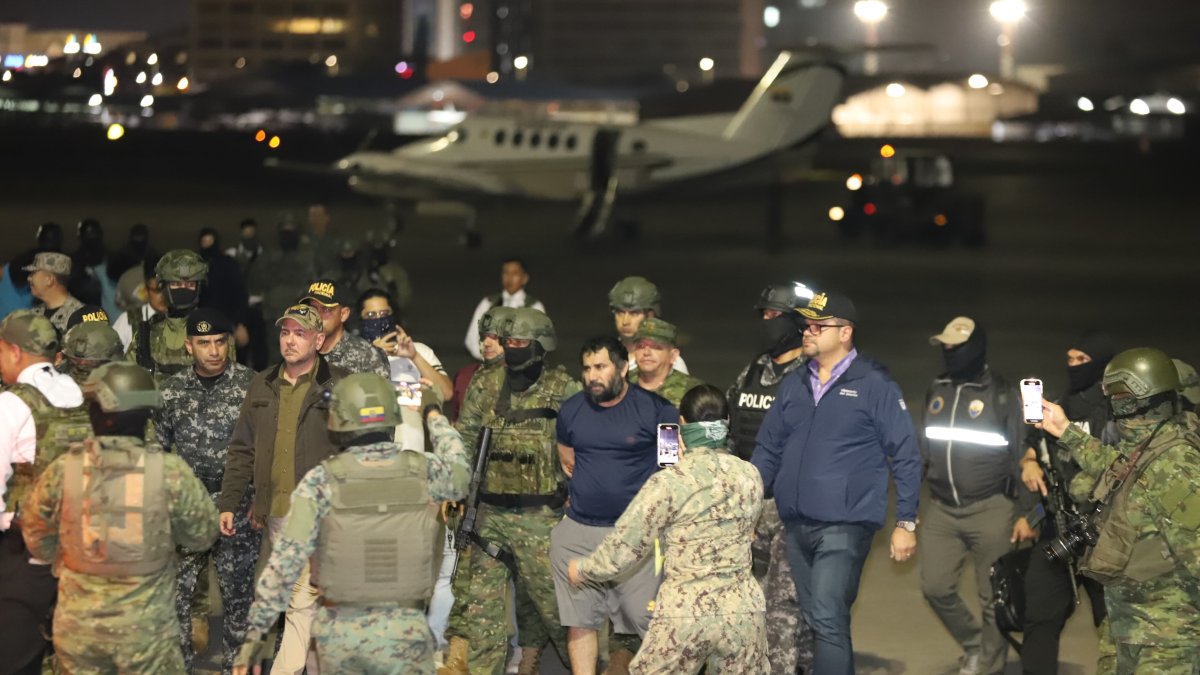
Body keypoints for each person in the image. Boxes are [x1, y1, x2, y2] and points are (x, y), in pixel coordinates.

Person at [233, 374, 469, 675]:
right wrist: (433, 413)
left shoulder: (321, 481)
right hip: (405, 635)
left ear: (339, 422)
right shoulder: (425, 471)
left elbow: (284, 565)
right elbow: (461, 473)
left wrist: (253, 640)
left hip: (342, 637)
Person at [750, 290, 920, 675]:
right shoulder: (794, 385)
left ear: (845, 333)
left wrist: (906, 523)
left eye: (817, 326)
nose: (806, 332)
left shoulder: (874, 386)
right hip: (796, 525)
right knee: (817, 618)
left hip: (844, 524)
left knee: (826, 617)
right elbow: (768, 450)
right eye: (805, 325)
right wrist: (746, 508)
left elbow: (906, 453)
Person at [20, 362, 219, 673]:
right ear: (145, 416)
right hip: (146, 636)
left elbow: (37, 541)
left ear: (95, 412)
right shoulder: (169, 473)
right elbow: (203, 534)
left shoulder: (63, 470)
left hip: (79, 633)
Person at [568, 384, 768, 674]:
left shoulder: (669, 483)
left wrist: (585, 569)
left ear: (682, 425)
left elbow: (624, 549)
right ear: (727, 424)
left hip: (685, 613)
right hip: (743, 612)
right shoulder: (750, 475)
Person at [1038, 347, 1200, 673]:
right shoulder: (1148, 444)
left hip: (1165, 639)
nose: (1110, 401)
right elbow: (1119, 468)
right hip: (1127, 626)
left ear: (1136, 397)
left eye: (1115, 393)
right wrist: (1065, 431)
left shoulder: (1176, 462)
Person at [449, 307, 579, 675]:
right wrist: (456, 489)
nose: (512, 349)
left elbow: (585, 445)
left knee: (559, 612)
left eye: (520, 343)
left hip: (540, 519)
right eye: (508, 342)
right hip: (488, 516)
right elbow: (466, 439)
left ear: (541, 346)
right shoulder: (486, 383)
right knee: (481, 617)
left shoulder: (563, 388)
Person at [218, 303, 347, 674]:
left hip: (319, 515)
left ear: (319, 339)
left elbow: (357, 447)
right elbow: (242, 447)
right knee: (305, 602)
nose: (290, 341)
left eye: (300, 333)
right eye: (285, 332)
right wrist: (230, 501)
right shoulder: (263, 382)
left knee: (301, 601)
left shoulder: (338, 384)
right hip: (274, 513)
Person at [552, 336, 677, 675]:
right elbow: (568, 461)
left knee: (644, 618)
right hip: (580, 529)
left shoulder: (658, 410)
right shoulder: (571, 410)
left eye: (601, 367)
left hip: (636, 535)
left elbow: (672, 468)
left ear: (623, 368)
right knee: (580, 620)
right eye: (587, 368)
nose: (592, 376)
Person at [920, 316, 1032, 675]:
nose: (950, 354)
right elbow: (925, 449)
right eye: (945, 348)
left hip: (991, 509)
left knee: (992, 599)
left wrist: (1028, 513)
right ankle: (974, 645)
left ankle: (988, 667)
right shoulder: (937, 389)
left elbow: (1023, 456)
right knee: (935, 587)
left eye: (957, 347)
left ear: (976, 348)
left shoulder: (1001, 394)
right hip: (942, 509)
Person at [156, 308, 259, 674]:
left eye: (219, 342)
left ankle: (238, 667)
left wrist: (259, 500)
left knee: (239, 602)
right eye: (204, 343)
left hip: (238, 505)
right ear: (188, 346)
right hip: (188, 507)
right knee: (176, 598)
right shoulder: (169, 391)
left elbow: (267, 449)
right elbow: (156, 450)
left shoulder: (253, 387)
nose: (213, 351)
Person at [726, 282, 814, 674]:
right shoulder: (754, 370)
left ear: (796, 322)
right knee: (759, 601)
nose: (766, 322)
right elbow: (733, 431)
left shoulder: (813, 376)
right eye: (763, 315)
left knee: (781, 606)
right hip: (750, 505)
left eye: (774, 316)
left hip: (792, 508)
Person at [1018, 331, 1115, 675]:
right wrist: (1028, 462)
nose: (1074, 366)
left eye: (1082, 360)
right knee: (1040, 615)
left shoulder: (1115, 410)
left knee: (1113, 623)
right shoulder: (1061, 404)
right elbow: (1034, 446)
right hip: (1060, 529)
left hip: (1106, 535)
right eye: (1070, 359)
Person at [0, 311, 87, 674]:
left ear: (14, 351)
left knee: (15, 658)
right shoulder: (76, 391)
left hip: (25, 553)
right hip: (81, 548)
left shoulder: (12, 403)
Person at [126, 249, 210, 382]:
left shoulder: (213, 333)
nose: (183, 289)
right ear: (164, 287)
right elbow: (128, 382)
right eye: (176, 284)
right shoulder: (146, 333)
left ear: (198, 287)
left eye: (189, 284)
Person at [301, 279, 390, 379]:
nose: (317, 315)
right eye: (313, 308)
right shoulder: (300, 350)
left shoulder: (366, 356)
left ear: (343, 314)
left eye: (326, 310)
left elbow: (381, 393)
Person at [464, 258, 545, 360]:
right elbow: (472, 339)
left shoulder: (534, 307)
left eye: (515, 273)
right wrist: (489, 357)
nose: (509, 278)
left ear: (525, 278)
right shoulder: (488, 303)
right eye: (506, 273)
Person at [607, 276, 688, 374]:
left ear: (650, 315)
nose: (625, 321)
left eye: (634, 313)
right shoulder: (604, 355)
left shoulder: (669, 362)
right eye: (620, 313)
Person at [451, 306, 514, 422]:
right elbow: (456, 423)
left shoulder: (532, 380)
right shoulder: (465, 376)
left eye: (494, 336)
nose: (486, 343)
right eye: (483, 336)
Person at [627, 317, 703, 406]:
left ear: (673, 355)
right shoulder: (621, 384)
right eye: (641, 346)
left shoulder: (692, 391)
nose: (646, 352)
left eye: (656, 347)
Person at [113, 256, 169, 350]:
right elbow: (110, 355)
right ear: (146, 289)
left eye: (167, 290)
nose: (163, 296)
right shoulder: (128, 320)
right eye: (157, 290)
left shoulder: (185, 319)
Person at [69, 217, 119, 318]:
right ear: (80, 236)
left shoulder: (111, 259)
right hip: (82, 312)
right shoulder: (74, 262)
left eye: (94, 234)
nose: (91, 238)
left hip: (110, 313)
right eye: (87, 235)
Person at [26, 251, 83, 336]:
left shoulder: (79, 316)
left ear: (49, 280)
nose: (29, 278)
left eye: (33, 273)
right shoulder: (33, 313)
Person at [58, 320, 124, 386]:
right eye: (75, 360)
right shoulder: (60, 375)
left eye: (89, 362)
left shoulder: (122, 383)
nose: (81, 364)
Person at [363, 227, 413, 312]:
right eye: (375, 246)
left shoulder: (396, 272)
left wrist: (391, 285)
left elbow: (403, 299)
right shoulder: (362, 271)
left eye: (380, 246)